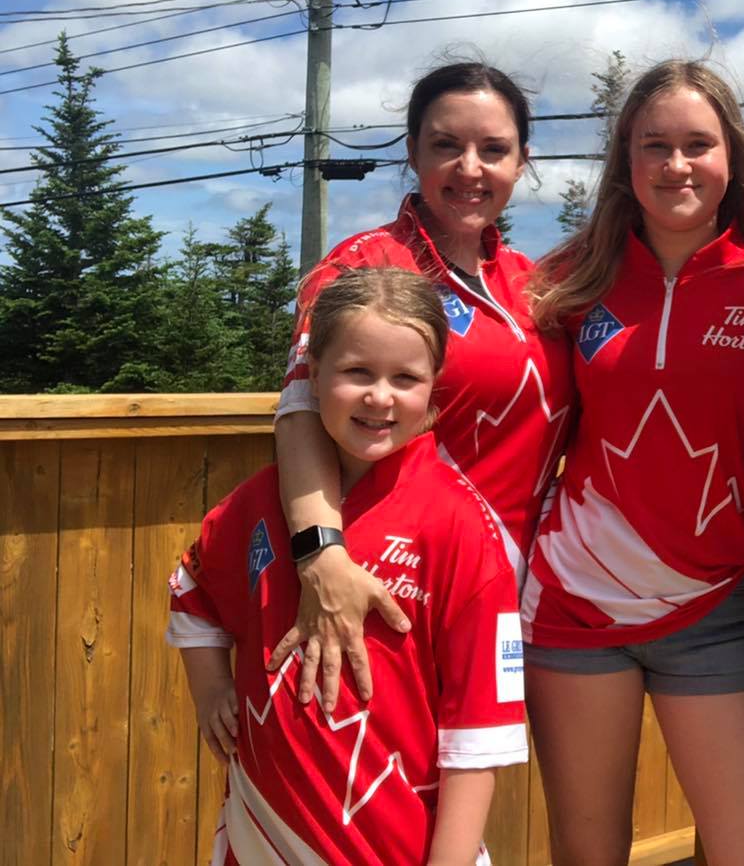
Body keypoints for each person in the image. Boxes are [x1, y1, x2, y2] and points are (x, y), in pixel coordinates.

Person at [521, 60, 744, 866]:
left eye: (696, 144)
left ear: (731, 160)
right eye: (655, 146)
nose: (676, 165)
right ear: (626, 162)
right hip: (574, 609)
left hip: (716, 608)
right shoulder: (570, 279)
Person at [167, 267, 527, 865]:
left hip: (399, 848)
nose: (379, 397)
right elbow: (191, 585)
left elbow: (478, 739)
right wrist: (211, 689)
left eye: (405, 378)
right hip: (260, 840)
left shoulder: (461, 526)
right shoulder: (258, 503)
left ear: (435, 387)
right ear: (312, 377)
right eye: (357, 372)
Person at [268, 61, 573, 712]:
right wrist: (320, 555)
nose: (470, 168)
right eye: (445, 146)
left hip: (514, 597)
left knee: (473, 787)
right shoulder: (362, 265)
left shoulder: (536, 286)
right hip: (383, 586)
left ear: (522, 162)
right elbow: (298, 410)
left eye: (494, 149)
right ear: (411, 153)